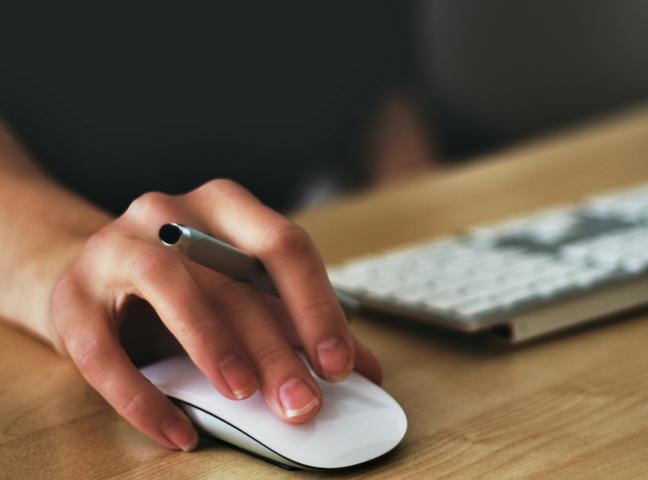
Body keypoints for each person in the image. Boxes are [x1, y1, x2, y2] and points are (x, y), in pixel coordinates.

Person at [0, 1, 431, 452]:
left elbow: (387, 85)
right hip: (80, 224)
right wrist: (70, 265)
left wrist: (419, 246)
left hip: (284, 249)